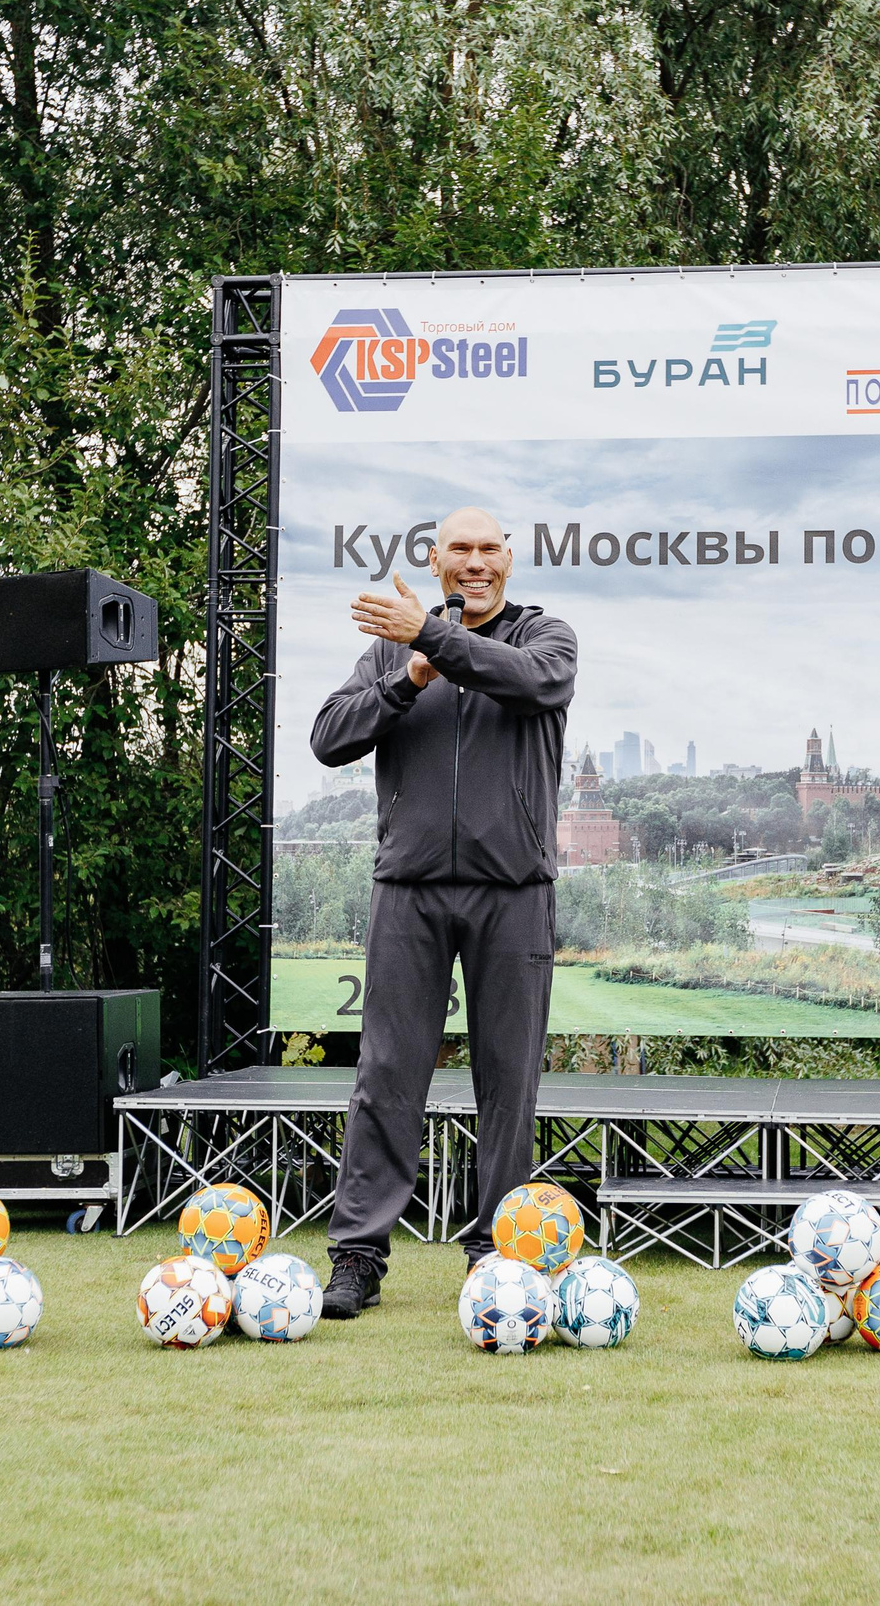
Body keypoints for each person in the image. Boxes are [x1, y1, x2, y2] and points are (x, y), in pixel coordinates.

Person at [308, 508, 577, 1320]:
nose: (476, 561)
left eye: (489, 548)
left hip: (515, 891)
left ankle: (496, 1254)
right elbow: (328, 737)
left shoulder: (546, 636)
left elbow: (529, 682)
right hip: (410, 888)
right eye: (460, 548)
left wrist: (431, 636)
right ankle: (358, 1257)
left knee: (509, 1083)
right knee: (386, 1076)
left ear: (509, 560)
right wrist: (408, 676)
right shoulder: (392, 650)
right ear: (435, 559)